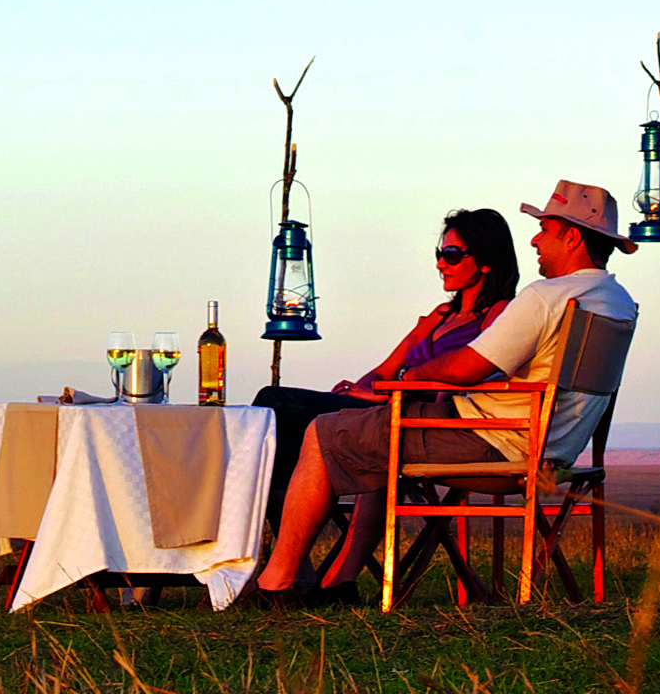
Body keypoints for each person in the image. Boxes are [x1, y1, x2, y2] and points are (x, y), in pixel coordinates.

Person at [245, 180, 637, 606]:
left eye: (544, 229)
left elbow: (466, 368)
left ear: (572, 237)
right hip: (550, 452)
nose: (535, 240)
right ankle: (331, 582)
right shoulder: (617, 302)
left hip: (490, 440)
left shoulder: (547, 297)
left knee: (323, 432)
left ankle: (278, 584)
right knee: (359, 431)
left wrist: (410, 376)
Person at [253, 208, 519, 528]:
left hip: (414, 418)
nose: (440, 265)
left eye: (451, 256)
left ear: (486, 260)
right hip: (382, 406)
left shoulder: (498, 315)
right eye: (440, 254)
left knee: (275, 405)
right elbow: (385, 370)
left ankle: (284, 549)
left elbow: (463, 380)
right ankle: (291, 547)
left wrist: (384, 394)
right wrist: (360, 390)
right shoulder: (441, 315)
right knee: (270, 428)